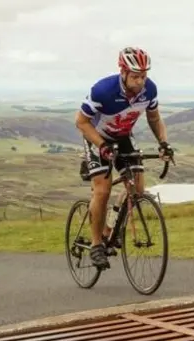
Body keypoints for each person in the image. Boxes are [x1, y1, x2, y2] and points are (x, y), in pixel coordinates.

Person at [75, 46, 173, 269]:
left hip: (123, 136)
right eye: (135, 76)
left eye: (144, 76)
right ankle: (97, 244)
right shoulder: (103, 91)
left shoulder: (149, 90)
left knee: (137, 188)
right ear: (123, 72)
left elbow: (154, 118)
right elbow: (81, 122)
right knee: (103, 190)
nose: (140, 81)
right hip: (97, 137)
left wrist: (163, 143)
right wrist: (102, 145)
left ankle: (110, 229)